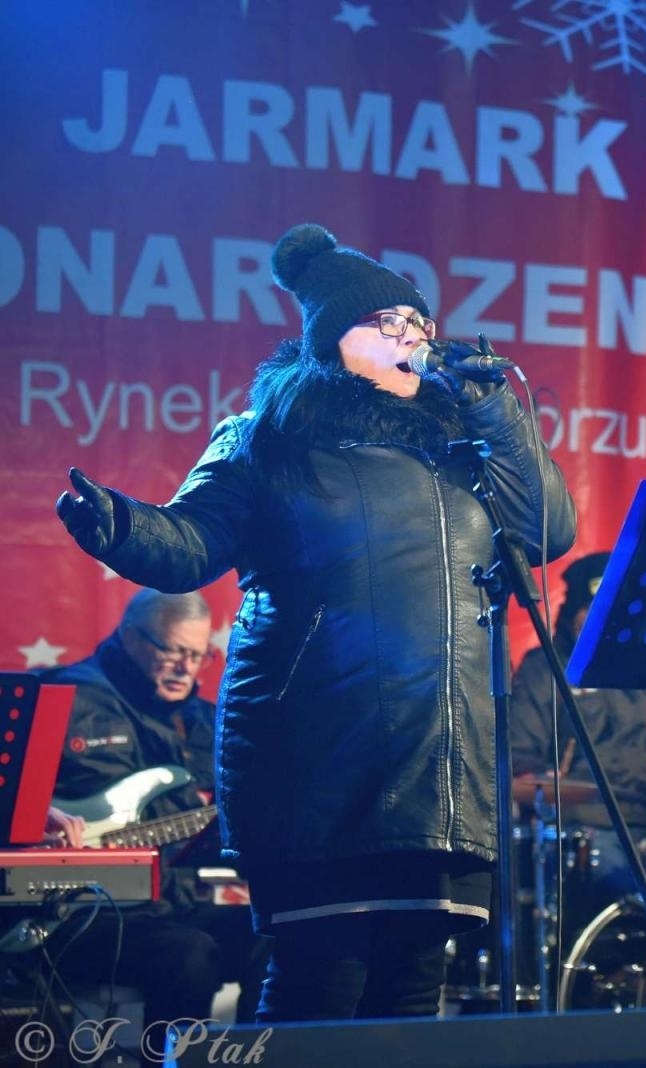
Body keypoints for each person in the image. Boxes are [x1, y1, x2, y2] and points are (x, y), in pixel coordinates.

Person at [53, 223, 576, 1022]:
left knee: (411, 992)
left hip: (441, 759)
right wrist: (120, 526)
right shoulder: (271, 440)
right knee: (320, 984)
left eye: (420, 323)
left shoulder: (466, 448)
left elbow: (550, 532)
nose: (414, 336)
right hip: (318, 756)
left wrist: (498, 412)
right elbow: (191, 541)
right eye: (389, 323)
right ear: (334, 341)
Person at [42, 589, 266, 1033]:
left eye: (197, 655)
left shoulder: (206, 721)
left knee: (276, 938)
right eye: (173, 651)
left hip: (170, 903)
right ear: (129, 636)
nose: (186, 667)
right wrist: (39, 814)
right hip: (77, 914)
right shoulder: (62, 698)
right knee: (189, 955)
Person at [508, 551, 646, 922]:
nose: (603, 619)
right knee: (621, 883)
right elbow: (522, 757)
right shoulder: (544, 670)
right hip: (586, 830)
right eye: (593, 609)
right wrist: (542, 781)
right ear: (572, 614)